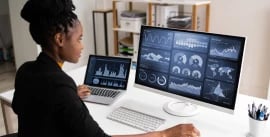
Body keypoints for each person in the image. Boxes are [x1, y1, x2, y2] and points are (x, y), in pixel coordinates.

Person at [12, 0, 201, 137]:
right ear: (60, 39)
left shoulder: (26, 71)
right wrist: (165, 134)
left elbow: (37, 106)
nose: (82, 46)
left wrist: (70, 96)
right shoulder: (60, 87)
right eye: (79, 39)